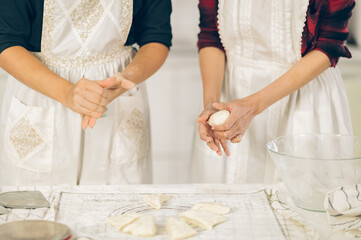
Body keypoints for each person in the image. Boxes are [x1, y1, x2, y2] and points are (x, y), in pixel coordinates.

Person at [0, 0, 172, 185]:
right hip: (42, 90)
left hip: (115, 96)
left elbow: (156, 37)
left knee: (123, 207)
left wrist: (124, 80)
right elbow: (6, 41)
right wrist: (66, 92)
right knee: (37, 205)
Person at [191, 0, 355, 183]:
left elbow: (328, 45)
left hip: (304, 100)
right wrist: (211, 105)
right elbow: (211, 36)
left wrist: (251, 106)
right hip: (230, 95)